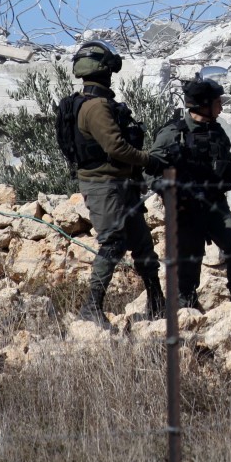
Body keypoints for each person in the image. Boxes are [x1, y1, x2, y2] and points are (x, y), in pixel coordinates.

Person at [64, 40, 169, 323]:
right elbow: (116, 148)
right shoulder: (96, 107)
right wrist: (149, 160)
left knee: (143, 244)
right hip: (104, 186)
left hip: (119, 184)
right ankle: (91, 307)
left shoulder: (95, 103)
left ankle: (157, 301)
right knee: (112, 243)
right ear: (105, 69)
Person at [149, 77, 231, 307]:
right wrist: (164, 188)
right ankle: (188, 306)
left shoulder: (217, 131)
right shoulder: (172, 133)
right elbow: (149, 167)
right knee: (189, 261)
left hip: (215, 205)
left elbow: (227, 162)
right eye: (217, 102)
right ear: (204, 104)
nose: (221, 107)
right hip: (185, 209)